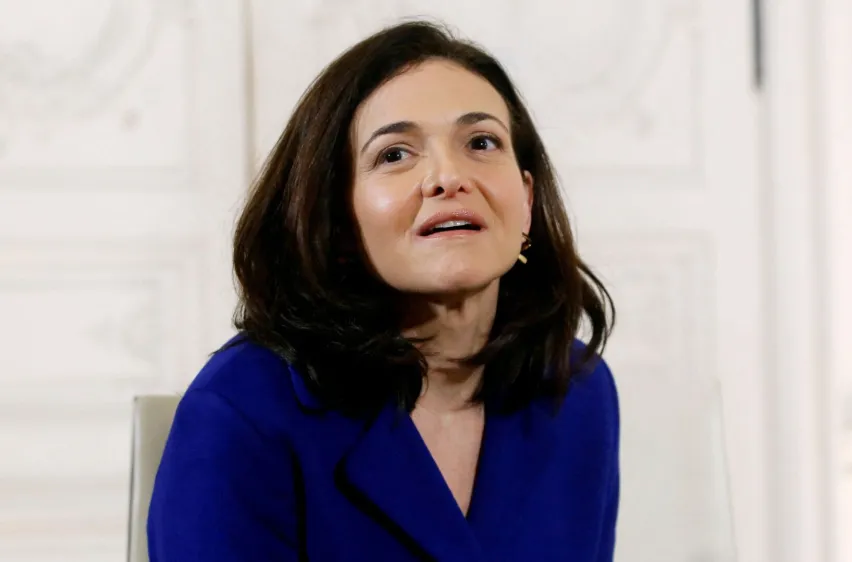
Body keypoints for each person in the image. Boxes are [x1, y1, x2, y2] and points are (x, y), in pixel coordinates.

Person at [147, 19, 619, 562]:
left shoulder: (579, 392)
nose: (448, 177)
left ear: (527, 202)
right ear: (338, 220)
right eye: (394, 154)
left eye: (481, 142)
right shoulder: (240, 412)